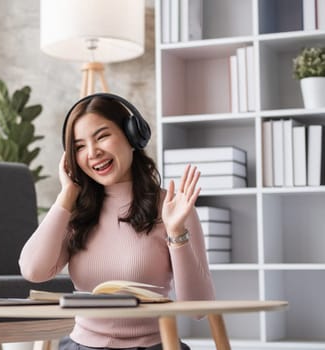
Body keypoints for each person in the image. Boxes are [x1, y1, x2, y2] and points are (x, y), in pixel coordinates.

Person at [19, 93, 215, 350]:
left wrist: (176, 232)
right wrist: (65, 197)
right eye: (79, 147)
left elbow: (198, 309)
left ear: (133, 136)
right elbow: (33, 270)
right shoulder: (76, 212)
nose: (92, 153)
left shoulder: (173, 209)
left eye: (102, 136)